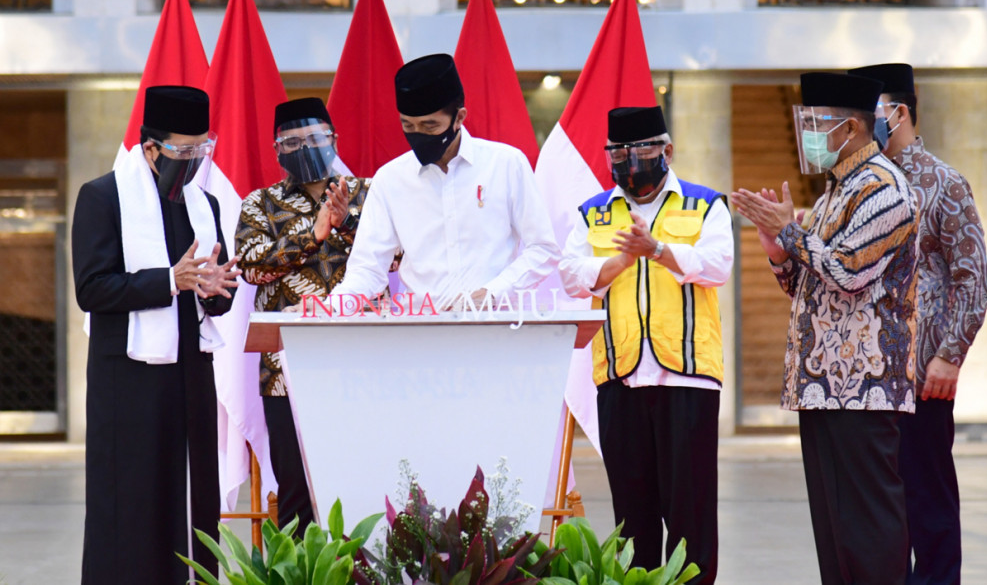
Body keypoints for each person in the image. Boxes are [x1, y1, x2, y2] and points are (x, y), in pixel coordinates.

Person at [731, 73, 919, 585]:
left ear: (853, 127)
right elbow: (809, 285)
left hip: (865, 385)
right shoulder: (836, 190)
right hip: (822, 384)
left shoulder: (885, 188)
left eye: (818, 124)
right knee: (835, 529)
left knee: (869, 526)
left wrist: (792, 231)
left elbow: (849, 272)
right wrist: (777, 248)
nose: (810, 135)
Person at [72, 85, 240, 584]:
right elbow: (92, 288)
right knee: (132, 504)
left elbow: (218, 292)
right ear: (150, 147)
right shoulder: (102, 196)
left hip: (190, 377)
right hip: (128, 385)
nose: (193, 162)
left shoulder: (203, 203)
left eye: (201, 150)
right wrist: (170, 281)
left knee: (192, 502)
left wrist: (213, 290)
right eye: (183, 152)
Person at [559, 106, 734, 581]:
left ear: (668, 151)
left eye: (641, 150)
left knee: (690, 510)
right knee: (631, 515)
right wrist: (619, 260)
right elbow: (572, 275)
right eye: (618, 152)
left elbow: (717, 265)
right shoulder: (594, 213)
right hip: (620, 377)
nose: (630, 162)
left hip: (688, 377)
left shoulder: (703, 205)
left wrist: (657, 250)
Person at [850, 63, 987, 584]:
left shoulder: (943, 183)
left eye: (867, 116)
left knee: (928, 505)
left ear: (899, 112)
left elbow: (974, 280)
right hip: (867, 378)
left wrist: (949, 355)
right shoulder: (857, 190)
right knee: (880, 515)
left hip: (921, 377)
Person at [235, 96, 369, 534]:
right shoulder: (261, 204)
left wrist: (345, 220)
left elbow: (395, 257)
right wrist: (313, 233)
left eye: (313, 139)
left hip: (361, 363)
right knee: (295, 490)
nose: (303, 148)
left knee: (360, 484)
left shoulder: (367, 193)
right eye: (291, 142)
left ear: (333, 140)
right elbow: (252, 266)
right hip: (284, 371)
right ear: (277, 151)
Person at [328, 53, 559, 306]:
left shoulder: (505, 164)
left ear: (459, 118)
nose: (418, 135)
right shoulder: (390, 179)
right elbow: (367, 268)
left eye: (429, 127)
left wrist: (492, 293)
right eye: (408, 126)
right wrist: (324, 309)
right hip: (420, 331)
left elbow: (543, 249)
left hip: (495, 326)